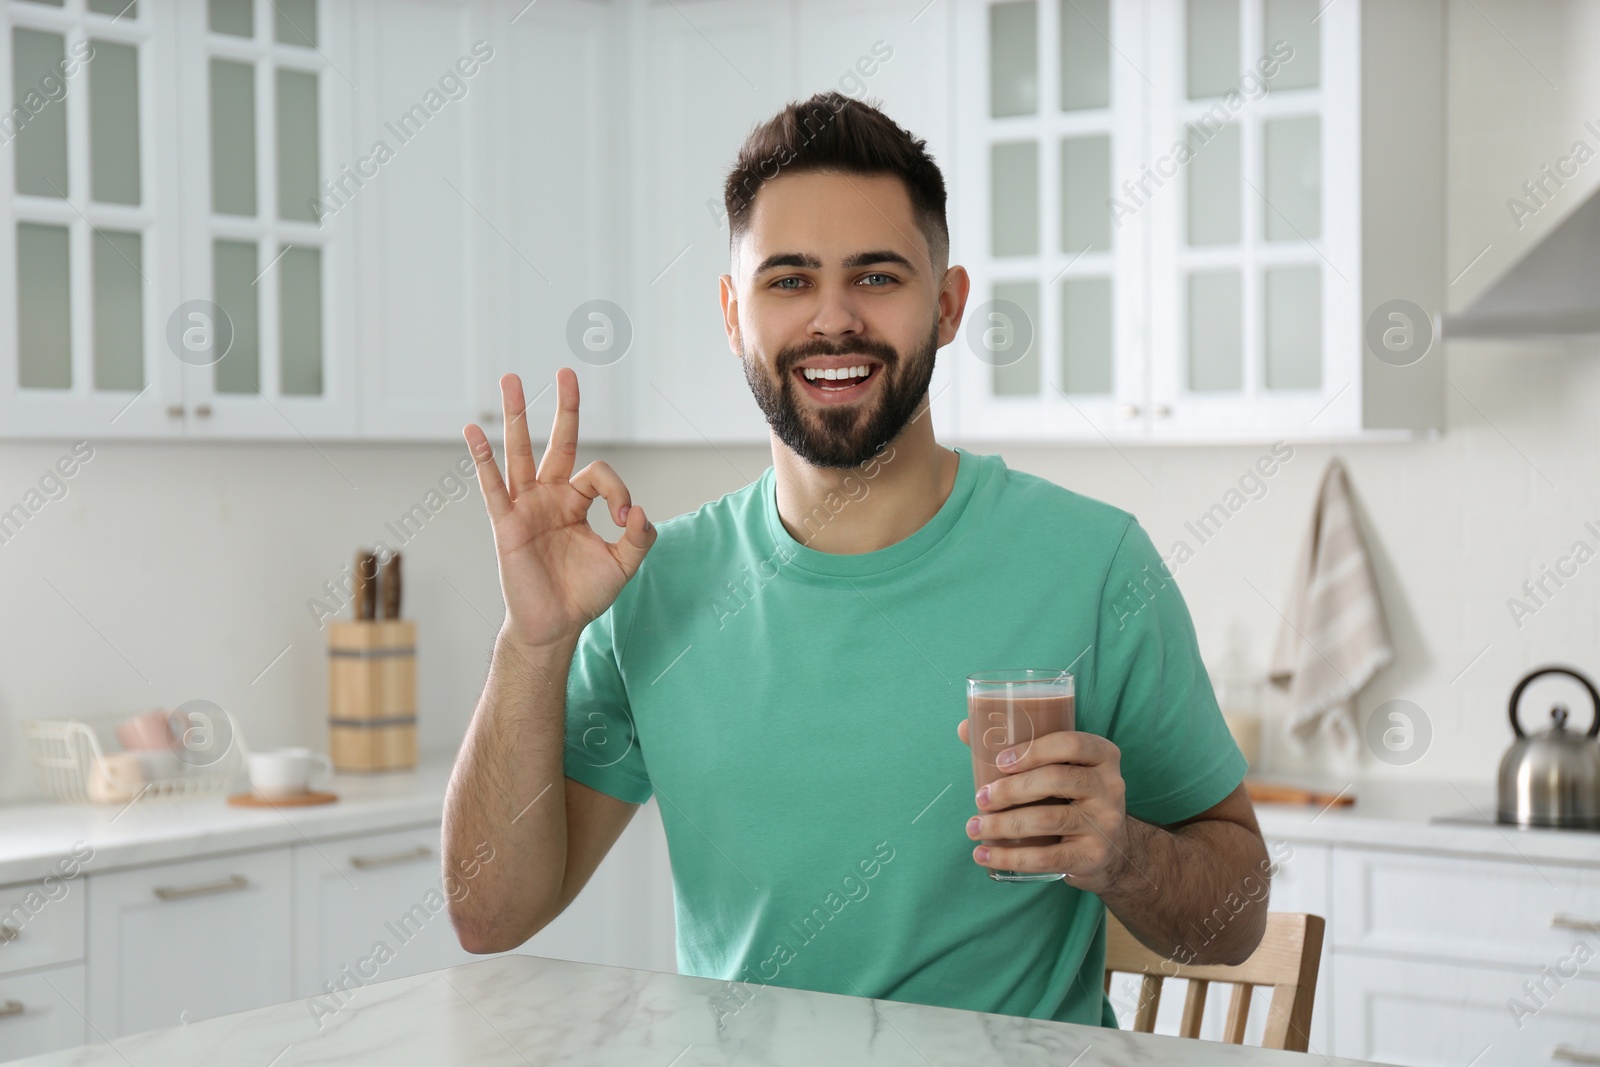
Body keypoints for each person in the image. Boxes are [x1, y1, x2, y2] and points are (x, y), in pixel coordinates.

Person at [443, 91, 1269, 1029]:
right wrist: (533, 642)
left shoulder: (1095, 565)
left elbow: (1237, 921)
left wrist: (1126, 856)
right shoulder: (654, 588)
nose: (833, 320)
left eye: (877, 277)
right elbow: (488, 915)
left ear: (948, 305)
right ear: (731, 313)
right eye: (788, 280)